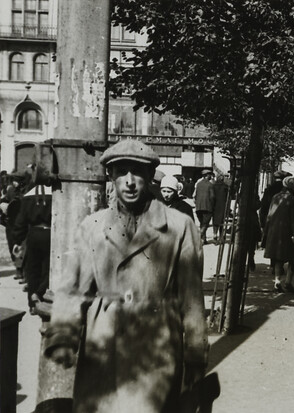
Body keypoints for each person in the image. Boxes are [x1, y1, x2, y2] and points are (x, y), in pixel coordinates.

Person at [44, 139, 207, 413]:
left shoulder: (179, 227)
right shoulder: (93, 227)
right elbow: (72, 288)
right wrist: (63, 335)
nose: (129, 181)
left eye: (137, 172)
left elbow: (191, 299)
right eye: (121, 172)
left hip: (157, 346)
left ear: (149, 176)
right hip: (103, 344)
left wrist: (195, 354)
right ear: (111, 176)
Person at [12, 181, 52, 313]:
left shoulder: (28, 195)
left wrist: (17, 241)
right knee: (47, 269)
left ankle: (32, 305)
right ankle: (41, 295)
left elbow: (21, 220)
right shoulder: (55, 192)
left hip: (34, 234)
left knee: (32, 269)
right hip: (50, 233)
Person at [263, 176, 294, 293]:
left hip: (274, 231)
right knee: (293, 258)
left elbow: (269, 215)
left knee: (278, 258)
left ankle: (277, 281)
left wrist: (266, 232)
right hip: (287, 232)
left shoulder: (275, 197)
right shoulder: (292, 200)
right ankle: (288, 282)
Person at [194, 169, 215, 243]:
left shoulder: (198, 184)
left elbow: (196, 195)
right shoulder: (210, 185)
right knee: (205, 224)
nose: (211, 176)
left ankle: (204, 239)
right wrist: (213, 206)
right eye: (210, 175)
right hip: (207, 207)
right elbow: (212, 197)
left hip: (198, 207)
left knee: (202, 223)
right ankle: (198, 239)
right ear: (206, 175)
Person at [212, 174, 230, 242]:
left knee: (215, 221)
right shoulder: (225, 187)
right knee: (222, 221)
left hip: (215, 205)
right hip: (223, 205)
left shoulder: (213, 186)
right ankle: (221, 236)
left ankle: (215, 234)